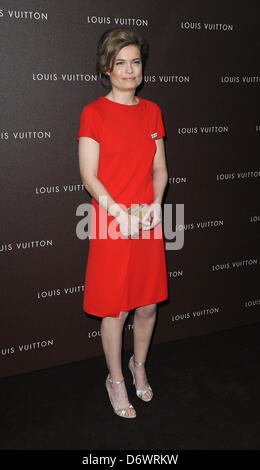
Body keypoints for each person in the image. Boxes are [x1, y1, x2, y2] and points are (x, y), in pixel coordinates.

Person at [76, 27, 168, 418]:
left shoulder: (152, 112)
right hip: (111, 221)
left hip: (146, 220)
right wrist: (117, 213)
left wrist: (157, 204)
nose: (129, 70)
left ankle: (138, 365)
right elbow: (89, 176)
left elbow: (161, 169)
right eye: (120, 63)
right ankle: (115, 379)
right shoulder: (93, 113)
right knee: (116, 310)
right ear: (106, 68)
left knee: (147, 306)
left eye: (135, 62)